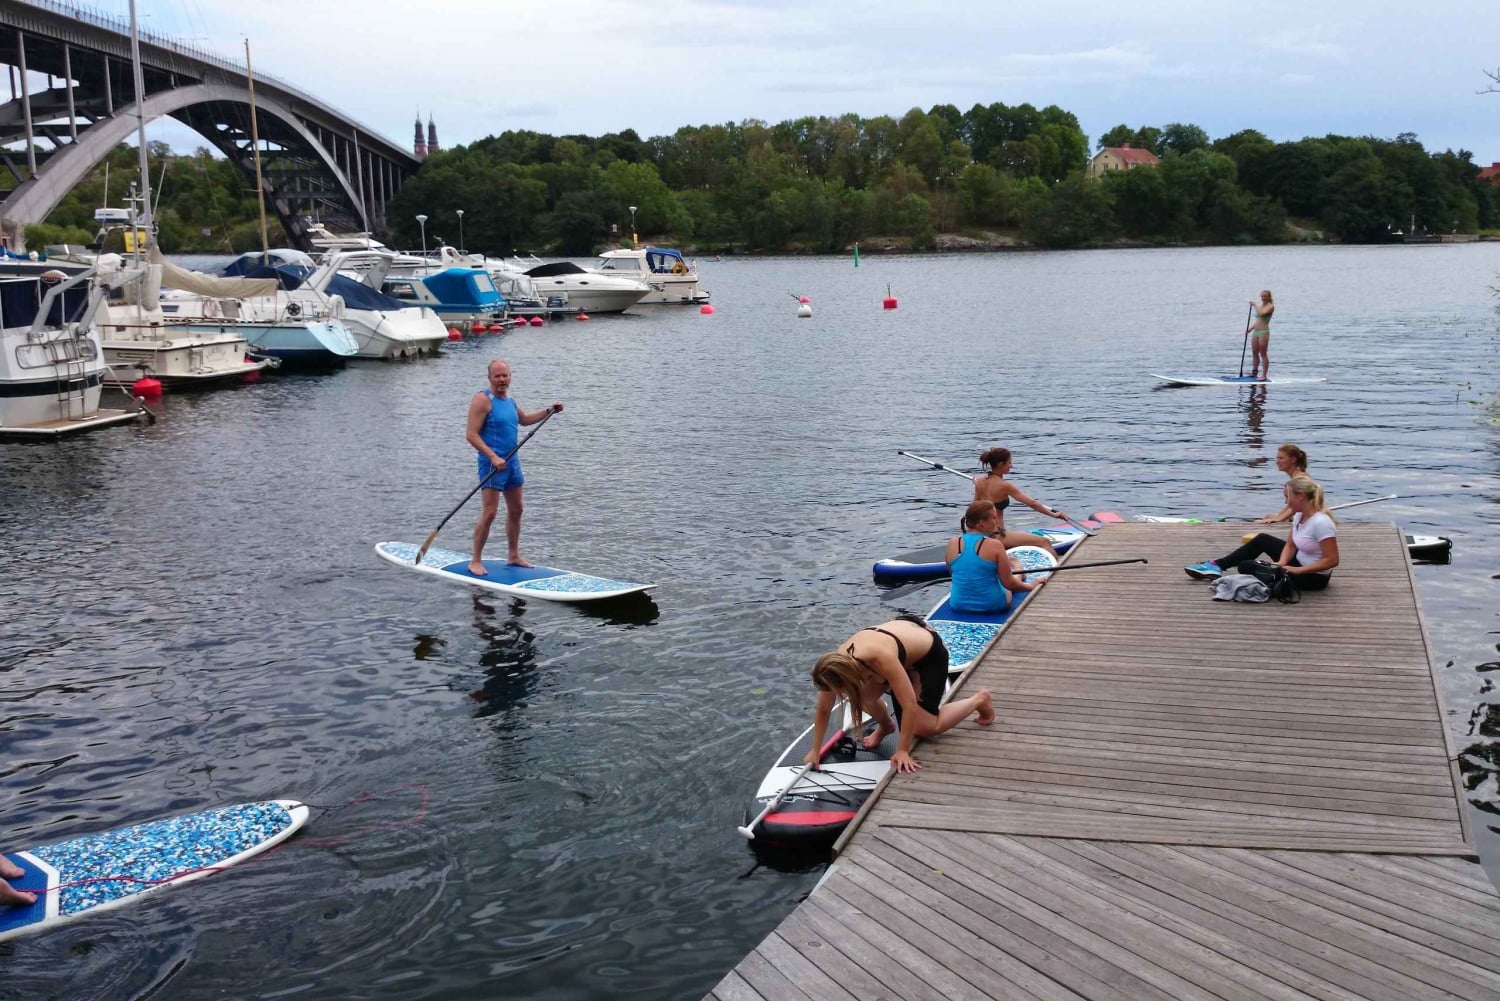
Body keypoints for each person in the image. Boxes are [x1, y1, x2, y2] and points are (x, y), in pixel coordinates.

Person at [804, 618, 996, 774]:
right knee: (860, 695)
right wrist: (815, 750)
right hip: (898, 642)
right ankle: (886, 726)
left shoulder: (880, 658)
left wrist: (902, 750)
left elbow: (909, 704)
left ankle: (979, 700)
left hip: (928, 655)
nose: (839, 694)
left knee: (924, 728)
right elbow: (823, 709)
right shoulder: (832, 667)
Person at [466, 359, 562, 574]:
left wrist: (549, 410)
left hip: (512, 462)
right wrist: (492, 457)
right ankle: (475, 560)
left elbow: (525, 419)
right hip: (491, 464)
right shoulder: (483, 400)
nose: (502, 380)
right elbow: (471, 435)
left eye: (505, 375)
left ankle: (513, 555)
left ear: (510, 376)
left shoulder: (509, 401)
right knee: (490, 512)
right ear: (489, 378)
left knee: (517, 509)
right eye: (497, 376)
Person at [1185, 475, 1338, 589]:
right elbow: (1291, 545)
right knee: (1262, 539)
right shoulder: (1299, 515)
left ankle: (1269, 574)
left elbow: (1332, 560)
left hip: (1314, 577)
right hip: (1297, 563)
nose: (1286, 502)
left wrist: (1299, 570)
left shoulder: (1321, 523)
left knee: (1245, 566)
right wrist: (1281, 563)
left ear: (1301, 496)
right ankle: (1217, 565)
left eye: (1288, 497)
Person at [945, 500, 1047, 613]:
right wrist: (1032, 586)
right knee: (1007, 582)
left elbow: (953, 574)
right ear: (981, 523)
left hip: (958, 604)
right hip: (992, 604)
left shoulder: (953, 543)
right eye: (993, 518)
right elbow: (1010, 584)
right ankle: (1019, 569)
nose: (996, 521)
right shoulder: (995, 545)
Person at [971, 447, 1068, 555]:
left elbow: (973, 508)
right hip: (995, 535)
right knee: (1044, 542)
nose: (1011, 466)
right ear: (1000, 464)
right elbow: (1032, 503)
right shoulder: (1005, 486)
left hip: (979, 533)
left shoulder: (979, 482)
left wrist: (977, 483)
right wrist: (1054, 515)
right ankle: (1053, 571)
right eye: (1009, 463)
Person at [1256, 443, 1309, 523]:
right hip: (1298, 516)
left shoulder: (1299, 479)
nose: (1277, 462)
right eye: (1277, 458)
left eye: (1281, 458)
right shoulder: (1296, 477)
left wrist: (1278, 519)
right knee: (1268, 516)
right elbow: (1290, 506)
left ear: (1293, 460)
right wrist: (1276, 518)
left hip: (1304, 519)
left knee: (1267, 519)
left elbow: (1294, 507)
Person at [1249, 289, 1274, 381]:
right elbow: (1259, 320)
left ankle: (1264, 375)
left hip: (1264, 332)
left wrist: (1255, 305)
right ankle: (1254, 372)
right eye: (1262, 296)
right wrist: (1250, 329)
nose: (1263, 298)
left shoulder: (1270, 306)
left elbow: (1261, 313)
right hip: (1256, 332)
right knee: (1254, 352)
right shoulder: (1261, 306)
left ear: (1269, 297)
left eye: (1265, 296)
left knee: (1263, 353)